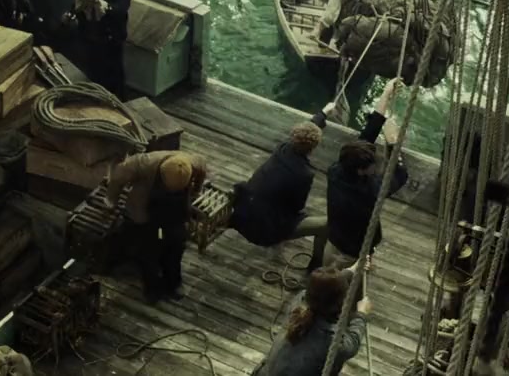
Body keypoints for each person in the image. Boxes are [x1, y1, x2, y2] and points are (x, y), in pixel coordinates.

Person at [105, 150, 208, 302]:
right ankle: (152, 288)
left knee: (176, 245)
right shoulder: (143, 163)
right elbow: (118, 176)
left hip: (176, 208)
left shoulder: (194, 163)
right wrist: (111, 200)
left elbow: (202, 172)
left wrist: (196, 190)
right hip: (147, 205)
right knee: (149, 249)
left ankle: (173, 283)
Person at [230, 116, 330, 271]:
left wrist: (323, 114)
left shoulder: (281, 149)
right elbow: (298, 206)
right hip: (264, 231)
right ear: (313, 148)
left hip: (242, 216)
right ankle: (315, 267)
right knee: (325, 225)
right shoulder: (305, 174)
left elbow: (303, 134)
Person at [326, 77, 409, 261]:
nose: (376, 166)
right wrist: (393, 142)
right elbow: (400, 174)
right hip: (355, 251)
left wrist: (386, 94)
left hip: (334, 235)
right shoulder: (371, 190)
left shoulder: (336, 170)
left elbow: (367, 136)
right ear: (361, 171)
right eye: (373, 165)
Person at [253, 264, 372, 376]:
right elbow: (352, 344)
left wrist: (353, 268)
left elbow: (323, 289)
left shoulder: (299, 304)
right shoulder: (332, 341)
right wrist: (361, 314)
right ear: (342, 302)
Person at [64, 0, 133, 100]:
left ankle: (119, 101)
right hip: (92, 36)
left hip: (111, 39)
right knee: (94, 71)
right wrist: (73, 10)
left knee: (115, 74)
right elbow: (79, 2)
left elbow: (122, 8)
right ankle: (96, 98)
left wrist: (106, 7)